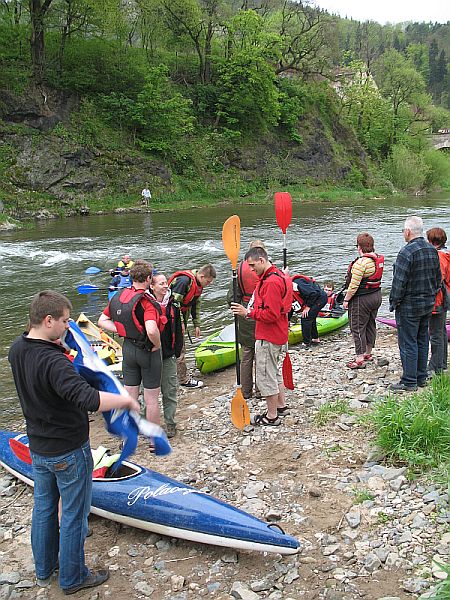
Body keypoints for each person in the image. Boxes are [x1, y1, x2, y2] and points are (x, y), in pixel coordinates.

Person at [8, 290, 139, 595]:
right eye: (65, 321)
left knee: (43, 507)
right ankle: (73, 577)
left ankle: (44, 569)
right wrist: (124, 400)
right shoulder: (55, 363)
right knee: (74, 514)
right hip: (68, 448)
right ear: (48, 320)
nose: (70, 326)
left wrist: (62, 345)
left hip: (39, 446)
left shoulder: (17, 348)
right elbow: (88, 399)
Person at [231, 247, 292, 426]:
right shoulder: (280, 275)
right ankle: (281, 406)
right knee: (274, 373)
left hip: (269, 337)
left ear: (262, 261)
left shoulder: (272, 282)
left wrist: (247, 312)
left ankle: (272, 416)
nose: (251, 269)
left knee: (266, 376)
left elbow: (271, 314)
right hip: (280, 334)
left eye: (252, 265)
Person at [99, 260, 165, 424]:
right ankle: (154, 441)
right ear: (149, 279)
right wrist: (156, 344)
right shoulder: (146, 302)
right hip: (148, 351)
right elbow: (151, 329)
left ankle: (128, 437)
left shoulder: (119, 296)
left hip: (127, 349)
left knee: (129, 396)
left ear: (132, 276)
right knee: (151, 399)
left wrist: (122, 330)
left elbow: (102, 320)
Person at [389, 216, 441, 392]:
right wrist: (432, 295)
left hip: (409, 306)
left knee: (408, 342)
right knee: (422, 338)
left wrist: (394, 302)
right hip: (427, 303)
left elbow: (398, 283)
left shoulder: (406, 252)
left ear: (408, 231)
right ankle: (421, 377)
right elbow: (437, 279)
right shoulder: (432, 250)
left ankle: (409, 380)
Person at [226, 240, 266, 400]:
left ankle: (245, 392)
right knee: (261, 354)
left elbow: (231, 297)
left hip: (244, 314)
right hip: (261, 313)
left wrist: (237, 309)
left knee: (247, 354)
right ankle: (260, 390)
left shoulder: (239, 269)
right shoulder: (268, 269)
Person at [168, 264, 216, 388]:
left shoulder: (198, 285)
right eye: (208, 281)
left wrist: (196, 324)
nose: (208, 284)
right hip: (170, 319)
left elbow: (196, 305)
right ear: (202, 276)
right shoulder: (184, 282)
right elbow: (174, 303)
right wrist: (181, 323)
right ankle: (183, 380)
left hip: (179, 319)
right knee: (180, 348)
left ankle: (173, 375)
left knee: (175, 347)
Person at [343, 233, 384, 369]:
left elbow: (353, 286)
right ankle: (368, 352)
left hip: (362, 299)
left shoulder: (361, 263)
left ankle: (359, 358)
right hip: (376, 296)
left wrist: (346, 300)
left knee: (357, 327)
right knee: (370, 324)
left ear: (359, 247)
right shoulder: (377, 259)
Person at [149, 273, 183, 438]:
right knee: (147, 394)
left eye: (165, 283)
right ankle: (146, 426)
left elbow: (178, 329)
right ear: (152, 286)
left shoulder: (173, 305)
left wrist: (178, 351)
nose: (165, 286)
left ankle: (170, 424)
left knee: (169, 391)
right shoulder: (146, 304)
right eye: (161, 283)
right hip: (149, 356)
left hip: (168, 354)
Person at [426, 227, 450, 375]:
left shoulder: (439, 257)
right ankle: (442, 363)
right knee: (440, 331)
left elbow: (438, 279)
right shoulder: (447, 254)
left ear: (432, 241)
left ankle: (435, 366)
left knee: (435, 333)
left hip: (439, 298)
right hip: (445, 295)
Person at [290, 274, 328, 348]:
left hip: (320, 298)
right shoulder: (288, 289)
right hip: (315, 299)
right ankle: (315, 339)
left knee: (305, 318)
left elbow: (313, 293)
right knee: (311, 318)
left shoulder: (296, 284)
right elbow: (290, 306)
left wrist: (308, 306)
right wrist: (288, 320)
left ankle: (306, 343)